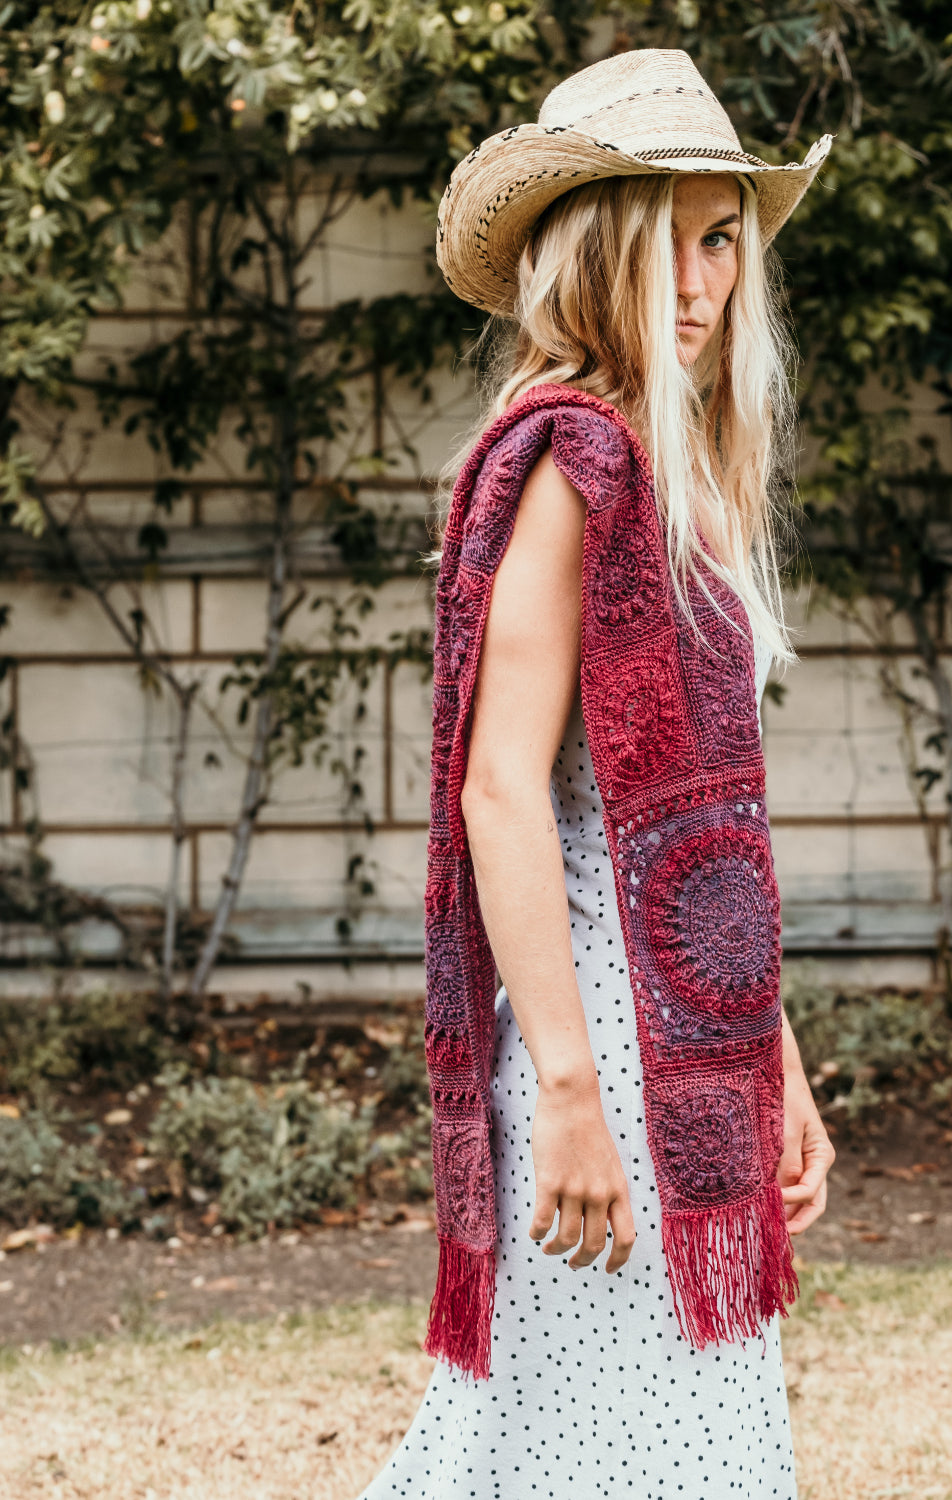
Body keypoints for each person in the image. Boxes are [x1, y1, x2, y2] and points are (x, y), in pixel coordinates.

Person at [356, 47, 836, 1500]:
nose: (697, 280)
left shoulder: (675, 476)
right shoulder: (571, 462)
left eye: (719, 238)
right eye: (661, 239)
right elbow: (503, 787)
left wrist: (779, 1064)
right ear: (588, 253)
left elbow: (700, 838)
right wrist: (561, 1087)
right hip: (601, 1058)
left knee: (651, 1443)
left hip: (689, 1051)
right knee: (598, 1451)